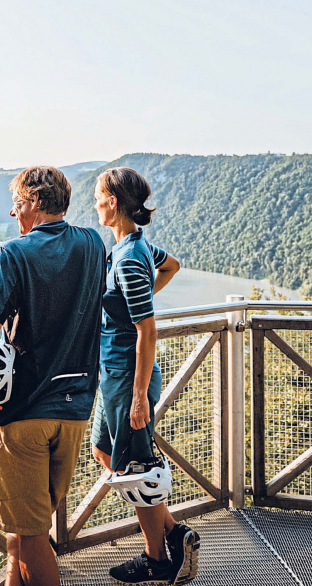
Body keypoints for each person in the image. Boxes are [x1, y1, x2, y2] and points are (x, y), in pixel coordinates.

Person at [0, 166, 106, 586]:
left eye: (17, 204)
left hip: (24, 413)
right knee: (25, 522)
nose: (15, 214)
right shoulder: (93, 243)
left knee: (33, 534)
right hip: (75, 410)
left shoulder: (13, 254)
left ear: (34, 203)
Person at [90, 167, 200, 585]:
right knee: (105, 452)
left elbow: (147, 331)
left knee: (135, 467)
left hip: (125, 377)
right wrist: (140, 301)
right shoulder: (136, 247)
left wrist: (138, 397)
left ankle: (158, 557)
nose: (95, 205)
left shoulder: (130, 260)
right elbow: (172, 265)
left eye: (98, 198)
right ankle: (175, 533)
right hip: (114, 375)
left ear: (113, 203)